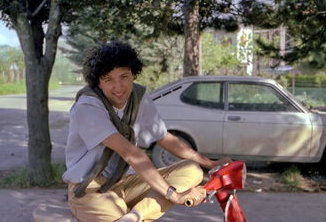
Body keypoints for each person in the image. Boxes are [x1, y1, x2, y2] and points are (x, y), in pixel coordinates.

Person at [62, 42, 232, 222]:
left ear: (133, 75)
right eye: (108, 79)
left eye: (124, 76)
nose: (118, 86)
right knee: (126, 206)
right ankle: (130, 217)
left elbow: (164, 138)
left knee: (192, 170)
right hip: (89, 189)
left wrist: (210, 164)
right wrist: (174, 195)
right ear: (98, 82)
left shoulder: (137, 97)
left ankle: (135, 216)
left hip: (124, 183)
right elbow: (130, 153)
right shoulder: (88, 106)